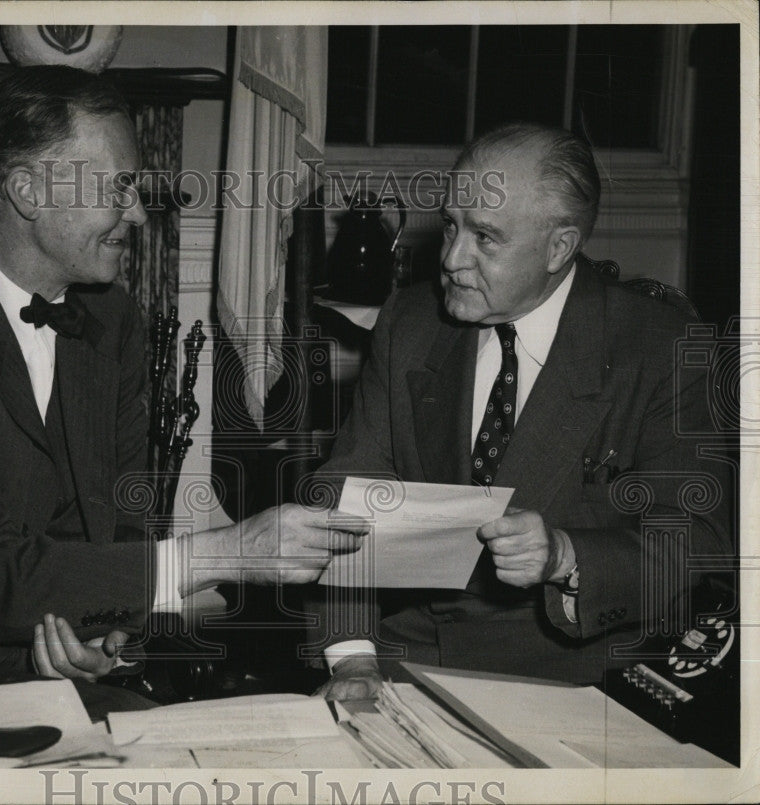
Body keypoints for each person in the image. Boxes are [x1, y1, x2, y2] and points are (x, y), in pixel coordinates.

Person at [0, 66, 366, 733]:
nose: (139, 213)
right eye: (119, 187)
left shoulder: (112, 320)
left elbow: (117, 523)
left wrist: (105, 634)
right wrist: (230, 552)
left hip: (25, 669)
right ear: (28, 191)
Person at [313, 122, 732, 699]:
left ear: (559, 247)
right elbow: (347, 494)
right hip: (407, 663)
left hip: (578, 680)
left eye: (485, 237)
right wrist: (353, 658)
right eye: (452, 226)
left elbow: (696, 545)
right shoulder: (409, 323)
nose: (453, 259)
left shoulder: (658, 347)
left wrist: (566, 554)